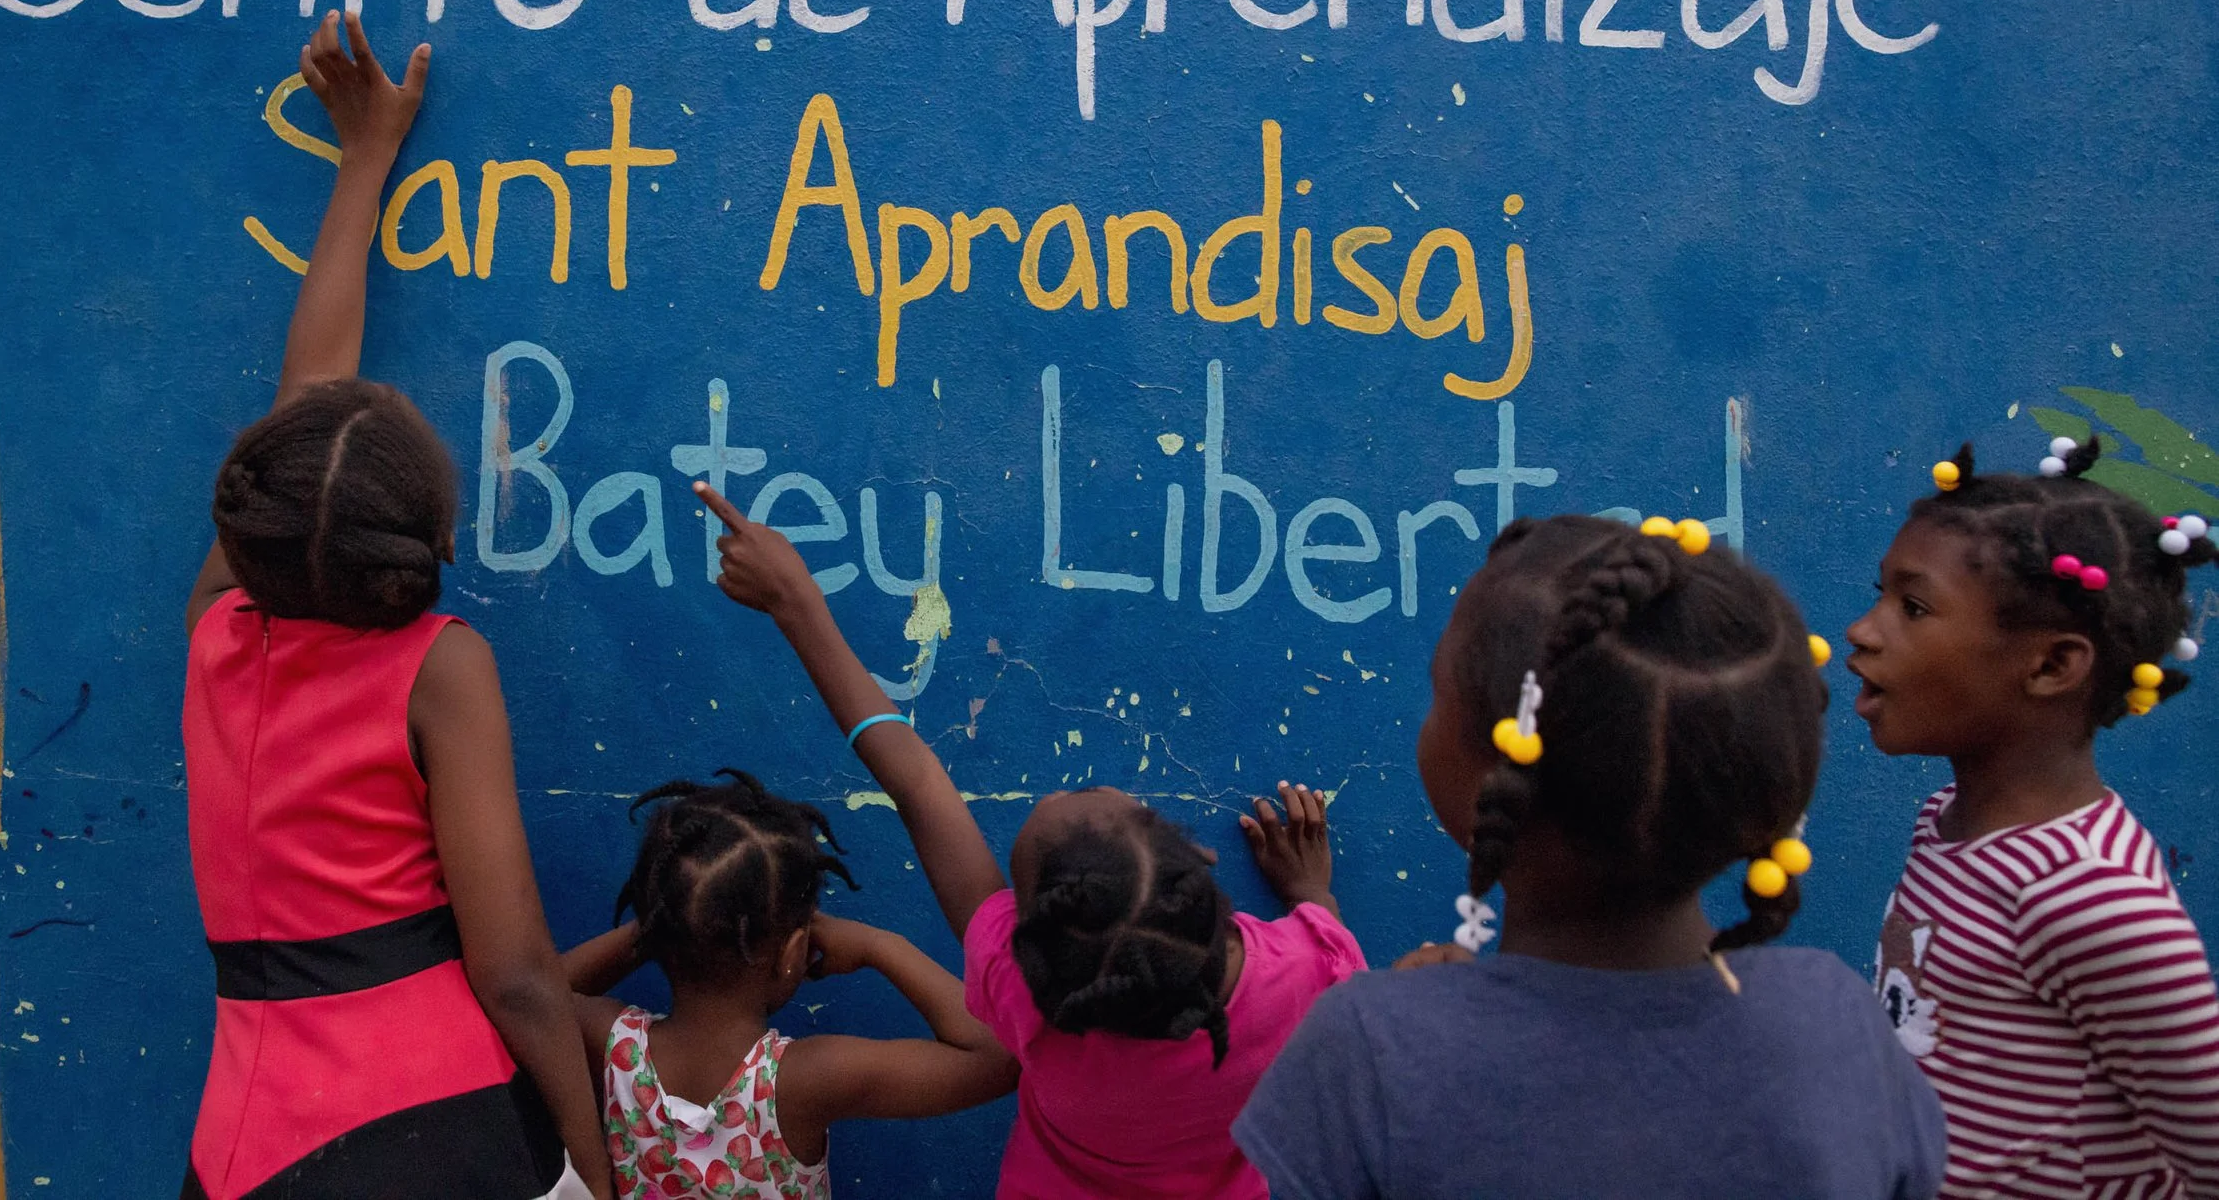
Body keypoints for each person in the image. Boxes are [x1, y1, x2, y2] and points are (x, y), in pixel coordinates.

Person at [180, 14, 612, 1200]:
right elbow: (520, 970)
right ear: (424, 547)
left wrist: (364, 158)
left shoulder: (218, 630)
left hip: (242, 1143)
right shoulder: (437, 667)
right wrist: (588, 1160)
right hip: (432, 1128)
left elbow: (305, 412)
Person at [1236, 514, 1947, 1200]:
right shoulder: (1835, 1021)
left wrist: (1411, 1025)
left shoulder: (1365, 1055)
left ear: (1501, 776)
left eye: (1437, 690)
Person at [695, 478, 1366, 1200]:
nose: (1059, 790)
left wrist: (796, 606)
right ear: (1197, 863)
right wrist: (1312, 893)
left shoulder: (1026, 996)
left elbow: (918, 783)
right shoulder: (1308, 971)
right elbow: (1330, 966)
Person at [1848, 438, 2219, 1196]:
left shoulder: (2095, 899)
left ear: (2052, 666)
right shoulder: (1949, 821)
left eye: (1912, 608)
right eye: (1881, 594)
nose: (1865, 629)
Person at [556, 770, 1017, 1198]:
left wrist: (661, 923)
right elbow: (999, 1057)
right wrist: (881, 946)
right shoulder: (802, 1081)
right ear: (796, 951)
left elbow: (530, 995)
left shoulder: (608, 1041)